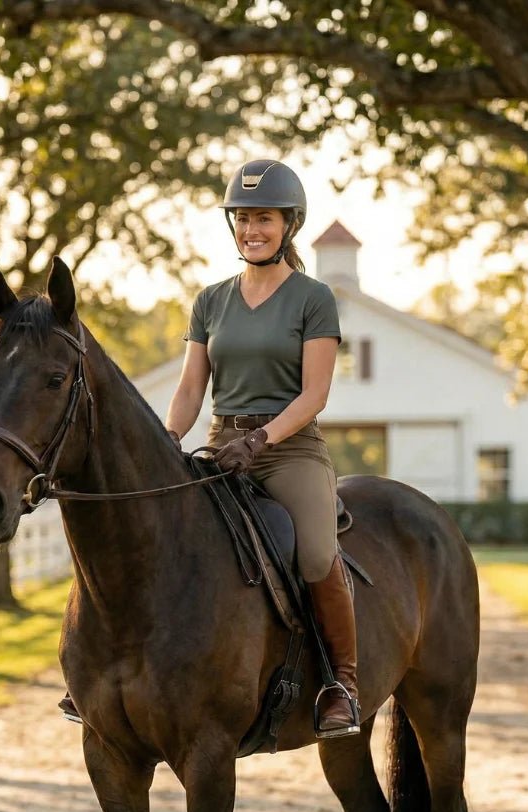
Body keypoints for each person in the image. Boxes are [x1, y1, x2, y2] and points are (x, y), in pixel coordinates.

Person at [164, 158, 360, 738]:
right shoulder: (210, 301)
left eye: (265, 219)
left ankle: (341, 682)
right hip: (222, 444)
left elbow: (315, 393)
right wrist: (169, 438)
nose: (253, 229)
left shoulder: (313, 298)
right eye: (243, 218)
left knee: (317, 555)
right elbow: (191, 387)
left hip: (289, 449)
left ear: (288, 225)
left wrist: (262, 438)